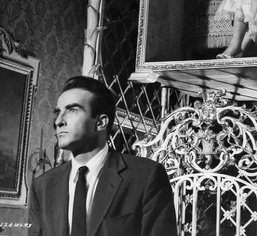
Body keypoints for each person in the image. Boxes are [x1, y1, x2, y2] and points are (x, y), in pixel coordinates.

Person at [28, 76, 177, 236]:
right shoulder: (42, 186)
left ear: (100, 122)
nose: (58, 121)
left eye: (72, 110)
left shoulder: (146, 176)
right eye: (58, 112)